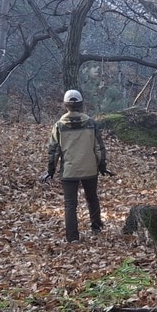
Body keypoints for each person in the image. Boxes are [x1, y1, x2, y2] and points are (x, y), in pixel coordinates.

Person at [45, 89, 107, 243]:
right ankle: (96, 227)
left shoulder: (59, 126)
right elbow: (99, 148)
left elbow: (53, 150)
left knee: (70, 204)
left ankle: (72, 237)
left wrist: (51, 170)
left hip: (69, 170)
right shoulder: (91, 124)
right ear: (81, 104)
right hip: (89, 168)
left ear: (65, 105)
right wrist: (102, 166)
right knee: (92, 198)